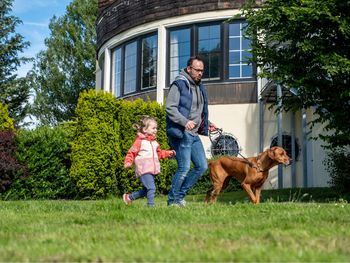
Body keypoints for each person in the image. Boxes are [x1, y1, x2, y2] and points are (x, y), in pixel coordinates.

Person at [166, 55, 217, 207]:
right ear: (189, 69)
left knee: (202, 166)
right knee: (184, 167)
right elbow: (170, 108)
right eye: (197, 70)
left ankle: (179, 197)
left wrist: (207, 123)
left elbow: (196, 111)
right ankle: (172, 201)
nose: (200, 73)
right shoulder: (179, 84)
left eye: (202, 70)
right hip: (182, 133)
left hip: (193, 134)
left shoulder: (199, 86)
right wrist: (184, 121)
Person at [123, 115, 176, 207]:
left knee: (146, 190)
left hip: (151, 170)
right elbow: (131, 152)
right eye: (153, 128)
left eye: (156, 128)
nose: (156, 130)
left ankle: (129, 197)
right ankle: (150, 206)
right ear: (145, 129)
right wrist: (128, 162)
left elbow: (159, 154)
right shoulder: (139, 141)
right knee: (151, 188)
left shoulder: (155, 143)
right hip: (143, 169)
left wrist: (168, 153)